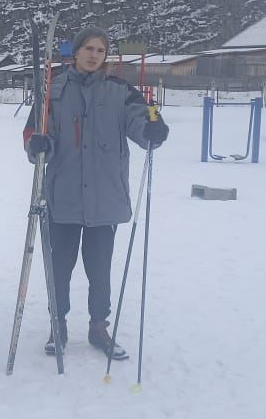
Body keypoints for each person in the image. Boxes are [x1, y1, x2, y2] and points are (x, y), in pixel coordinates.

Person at [23, 27, 170, 360]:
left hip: (105, 198)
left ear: (107, 56)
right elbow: (34, 131)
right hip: (62, 197)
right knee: (59, 266)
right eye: (88, 49)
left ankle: (98, 326)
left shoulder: (121, 92)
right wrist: (37, 144)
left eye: (100, 51)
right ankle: (57, 324)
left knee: (99, 268)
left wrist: (153, 130)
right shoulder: (53, 91)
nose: (93, 55)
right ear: (75, 53)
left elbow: (142, 125)